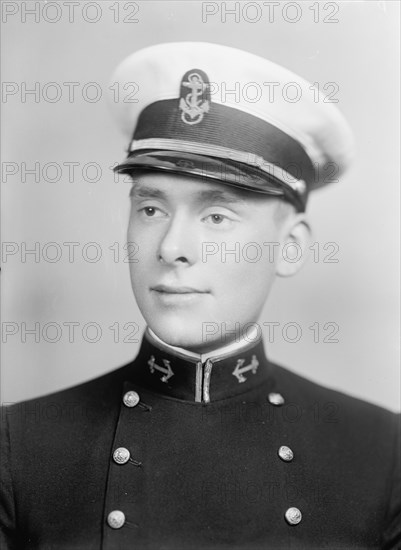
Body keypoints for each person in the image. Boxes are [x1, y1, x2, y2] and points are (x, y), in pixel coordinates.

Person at [1, 42, 399, 550]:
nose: (171, 248)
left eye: (216, 216)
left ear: (291, 248)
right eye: (151, 209)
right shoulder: (22, 447)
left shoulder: (378, 454)